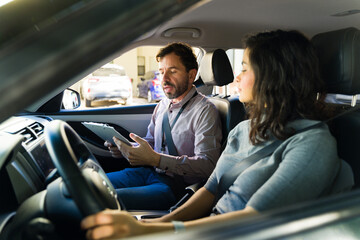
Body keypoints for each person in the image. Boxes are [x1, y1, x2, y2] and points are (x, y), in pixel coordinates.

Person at [81, 30, 354, 239]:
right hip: (208, 225)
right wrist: (157, 225)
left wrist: (155, 232)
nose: (237, 75)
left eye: (245, 67)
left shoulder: (313, 143)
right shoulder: (245, 129)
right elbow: (210, 190)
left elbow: (254, 219)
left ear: (274, 76)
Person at [105, 42, 222, 210]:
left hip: (175, 187)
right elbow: (151, 142)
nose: (164, 79)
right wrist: (128, 149)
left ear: (191, 76)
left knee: (108, 199)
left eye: (172, 71)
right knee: (94, 183)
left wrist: (157, 160)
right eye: (161, 72)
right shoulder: (162, 105)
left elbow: (207, 166)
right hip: (149, 173)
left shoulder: (205, 110)